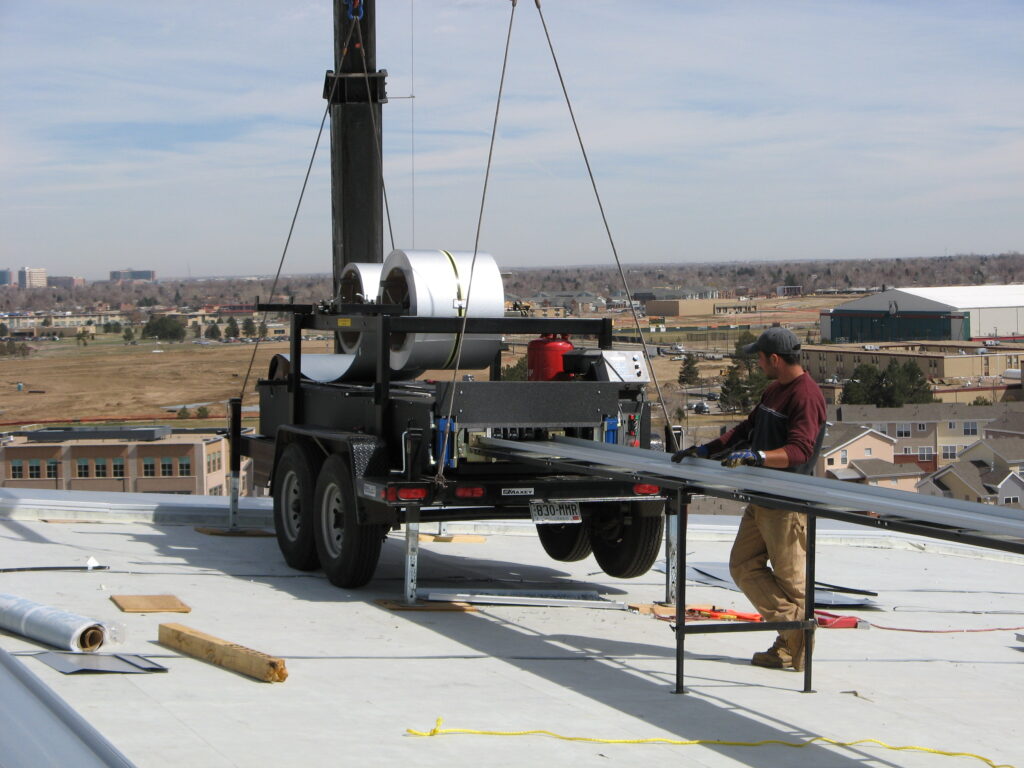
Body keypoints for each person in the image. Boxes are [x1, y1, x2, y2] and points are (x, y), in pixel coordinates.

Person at [672, 326, 826, 671]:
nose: (757, 364)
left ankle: (794, 643)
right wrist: (706, 450)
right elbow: (745, 430)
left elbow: (800, 450)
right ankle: (792, 632)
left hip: (786, 503)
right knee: (742, 566)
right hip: (761, 498)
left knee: (792, 581)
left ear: (774, 359)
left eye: (758, 358)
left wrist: (759, 457)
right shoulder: (775, 390)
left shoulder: (806, 395)